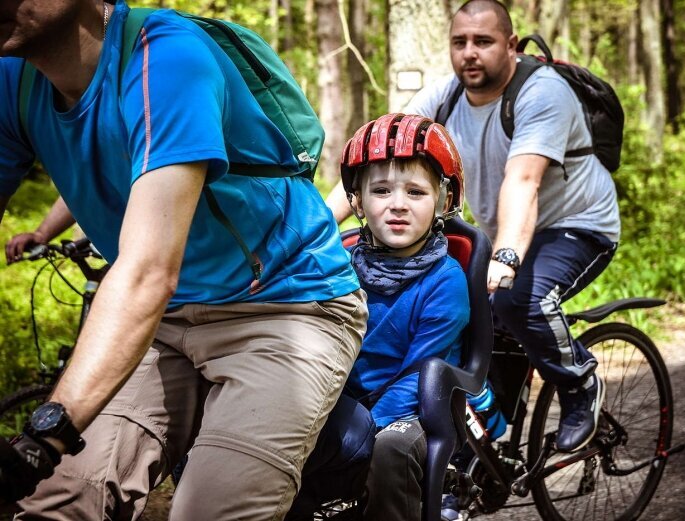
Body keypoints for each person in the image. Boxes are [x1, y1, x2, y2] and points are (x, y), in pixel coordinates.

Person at [0, 1, 367, 520]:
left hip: (286, 307)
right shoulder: (12, 82)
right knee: (62, 504)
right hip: (165, 321)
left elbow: (148, 271)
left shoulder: (167, 59)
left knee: (208, 511)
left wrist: (47, 435)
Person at [329, 0, 620, 455]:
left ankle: (578, 381)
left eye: (483, 42)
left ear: (510, 45)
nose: (470, 53)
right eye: (459, 42)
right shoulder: (443, 96)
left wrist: (504, 257)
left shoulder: (543, 93)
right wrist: (313, 233)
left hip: (576, 226)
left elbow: (523, 180)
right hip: (509, 223)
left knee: (519, 297)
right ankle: (487, 436)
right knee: (475, 316)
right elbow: (381, 151)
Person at [340, 113, 470, 521]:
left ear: (444, 201)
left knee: (390, 451)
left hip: (415, 411)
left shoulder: (444, 281)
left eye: (415, 192)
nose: (397, 204)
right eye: (381, 190)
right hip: (344, 402)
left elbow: (419, 377)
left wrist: (363, 430)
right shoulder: (341, 266)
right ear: (358, 201)